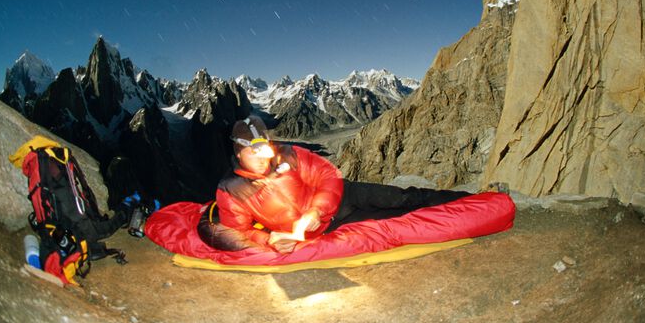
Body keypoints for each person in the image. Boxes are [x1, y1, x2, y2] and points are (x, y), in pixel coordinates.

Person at [198, 115, 472, 253]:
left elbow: (329, 175)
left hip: (344, 197)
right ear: (238, 152)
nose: (262, 159)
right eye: (253, 152)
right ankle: (462, 218)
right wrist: (269, 239)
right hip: (332, 226)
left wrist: (316, 210)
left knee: (405, 198)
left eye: (265, 150)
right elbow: (239, 231)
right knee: (399, 218)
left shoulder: (289, 154)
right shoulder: (230, 190)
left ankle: (468, 199)